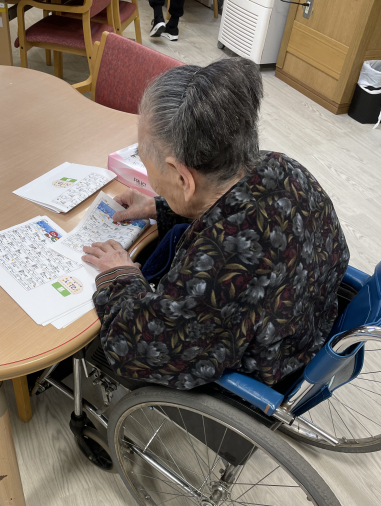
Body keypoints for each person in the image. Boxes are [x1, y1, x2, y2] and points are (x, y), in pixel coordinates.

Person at [81, 59, 350, 390]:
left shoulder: (218, 263)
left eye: (149, 169)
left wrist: (120, 276)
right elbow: (226, 203)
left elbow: (137, 349)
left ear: (183, 178)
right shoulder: (284, 167)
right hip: (307, 321)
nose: (151, 180)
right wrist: (159, 206)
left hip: (266, 367)